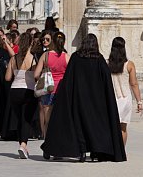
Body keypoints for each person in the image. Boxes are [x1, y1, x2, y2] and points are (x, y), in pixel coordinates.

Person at [41, 34, 126, 162]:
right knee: (93, 126)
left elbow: (68, 79)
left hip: (78, 99)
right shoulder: (99, 59)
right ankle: (95, 151)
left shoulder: (76, 57)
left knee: (78, 126)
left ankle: (79, 152)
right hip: (95, 101)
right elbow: (106, 80)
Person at [5, 33, 38, 159]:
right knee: (26, 119)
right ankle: (23, 144)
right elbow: (35, 76)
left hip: (14, 91)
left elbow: (7, 78)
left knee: (20, 119)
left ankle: (22, 146)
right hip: (28, 90)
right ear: (31, 43)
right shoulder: (33, 58)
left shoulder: (13, 58)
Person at [108, 37, 143, 146]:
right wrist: (139, 102)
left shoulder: (106, 63)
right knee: (123, 127)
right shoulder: (129, 64)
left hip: (111, 98)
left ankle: (111, 150)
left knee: (110, 126)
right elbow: (134, 84)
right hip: (125, 98)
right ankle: (121, 151)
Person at [34, 31, 69, 139]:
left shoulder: (46, 55)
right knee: (60, 118)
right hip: (61, 90)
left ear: (53, 42)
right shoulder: (67, 57)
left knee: (47, 119)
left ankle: (46, 139)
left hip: (48, 89)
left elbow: (36, 74)